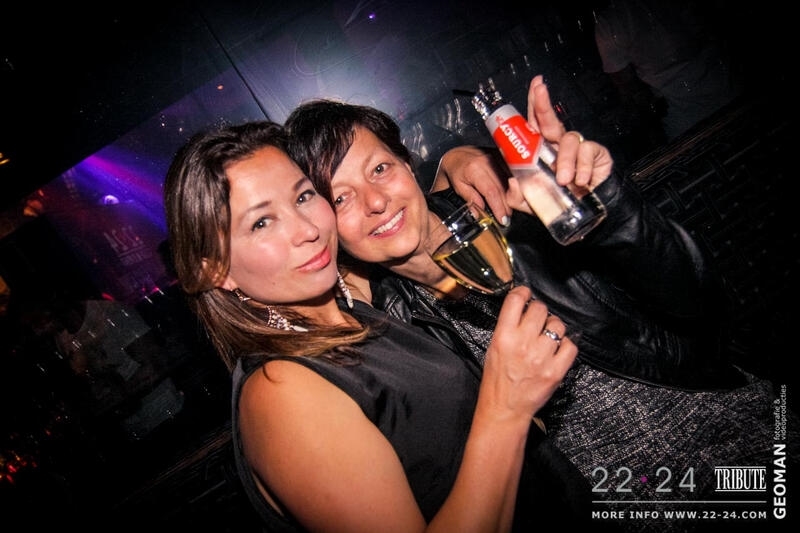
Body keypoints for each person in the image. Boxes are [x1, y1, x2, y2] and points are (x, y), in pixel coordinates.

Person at [285, 76, 799, 532]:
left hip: (725, 428)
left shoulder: (513, 203)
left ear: (406, 163)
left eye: (380, 168)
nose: (375, 201)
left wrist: (612, 208)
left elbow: (699, 298)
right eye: (340, 198)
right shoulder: (396, 330)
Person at [162, 120, 602, 532]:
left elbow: (397, 214)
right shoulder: (280, 393)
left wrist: (456, 161)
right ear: (216, 269)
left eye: (303, 197)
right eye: (261, 222)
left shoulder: (350, 309)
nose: (307, 229)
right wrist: (504, 410)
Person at [592, 0, 742, 142]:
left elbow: (628, 89)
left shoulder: (611, 21)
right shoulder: (611, 21)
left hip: (693, 115)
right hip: (706, 105)